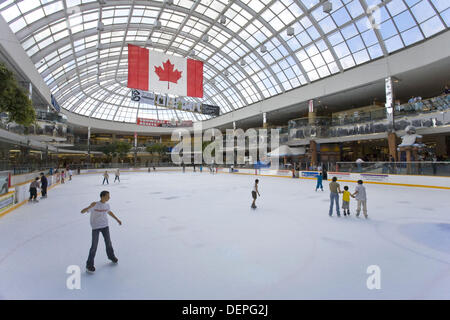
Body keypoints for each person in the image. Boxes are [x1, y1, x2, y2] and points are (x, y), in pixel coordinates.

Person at [81, 191, 122, 273]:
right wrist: (89, 206)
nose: (109, 197)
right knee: (94, 246)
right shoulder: (95, 205)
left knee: (108, 243)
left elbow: (109, 212)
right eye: (108, 196)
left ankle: (111, 256)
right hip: (96, 227)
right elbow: (82, 211)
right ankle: (89, 265)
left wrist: (117, 219)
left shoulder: (107, 205)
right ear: (102, 197)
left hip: (105, 226)